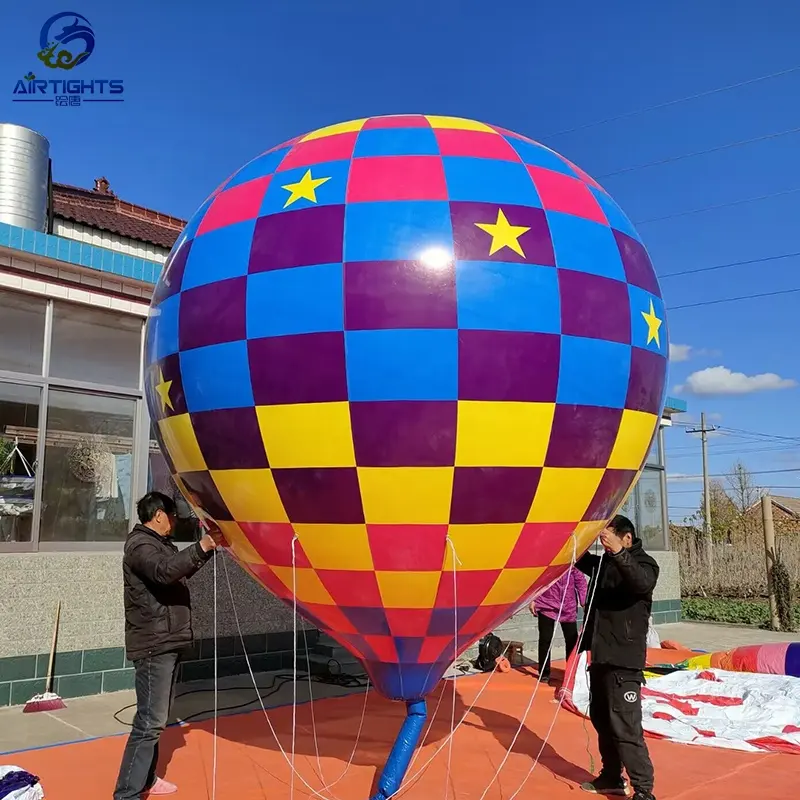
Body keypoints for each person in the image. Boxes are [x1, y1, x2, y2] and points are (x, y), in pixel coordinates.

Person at [113, 492, 223, 799]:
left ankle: (147, 779)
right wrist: (202, 545)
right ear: (159, 514)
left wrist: (207, 549)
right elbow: (164, 572)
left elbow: (176, 568)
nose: (174, 522)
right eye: (173, 516)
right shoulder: (139, 546)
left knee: (156, 721)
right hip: (153, 645)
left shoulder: (160, 545)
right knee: (149, 722)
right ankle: (127, 793)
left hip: (168, 641)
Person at [575, 514, 660, 800]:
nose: (606, 544)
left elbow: (640, 583)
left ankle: (644, 790)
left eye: (610, 537)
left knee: (625, 725)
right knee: (602, 720)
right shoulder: (606, 566)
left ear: (627, 537)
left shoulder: (645, 565)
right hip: (600, 657)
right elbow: (579, 559)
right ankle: (611, 775)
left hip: (624, 661)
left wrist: (619, 552)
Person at [529, 565, 587, 684]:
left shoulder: (573, 562)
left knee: (571, 640)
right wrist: (532, 599)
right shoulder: (548, 561)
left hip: (567, 605)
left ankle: (571, 671)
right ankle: (544, 672)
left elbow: (580, 580)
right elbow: (537, 579)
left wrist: (584, 601)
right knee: (545, 639)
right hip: (546, 603)